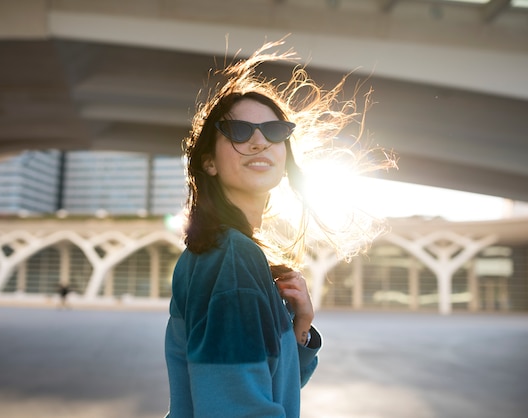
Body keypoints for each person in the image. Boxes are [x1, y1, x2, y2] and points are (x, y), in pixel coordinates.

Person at [164, 40, 394, 418]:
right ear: (208, 162)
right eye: (238, 131)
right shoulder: (233, 257)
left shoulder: (215, 253)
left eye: (274, 130)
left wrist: (299, 330)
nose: (259, 140)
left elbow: (262, 386)